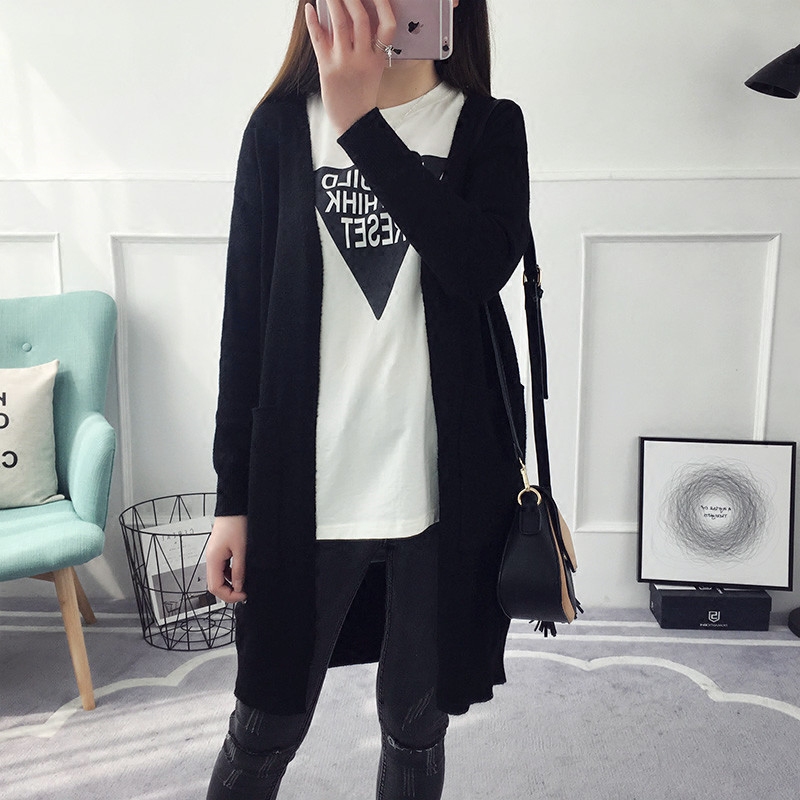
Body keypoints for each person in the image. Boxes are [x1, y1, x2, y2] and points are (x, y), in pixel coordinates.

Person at [205, 1, 531, 797]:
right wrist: (232, 501)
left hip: (442, 493)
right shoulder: (280, 130)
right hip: (307, 490)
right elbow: (244, 327)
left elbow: (478, 268)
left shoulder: (487, 127)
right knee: (265, 724)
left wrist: (360, 126)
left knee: (416, 725)